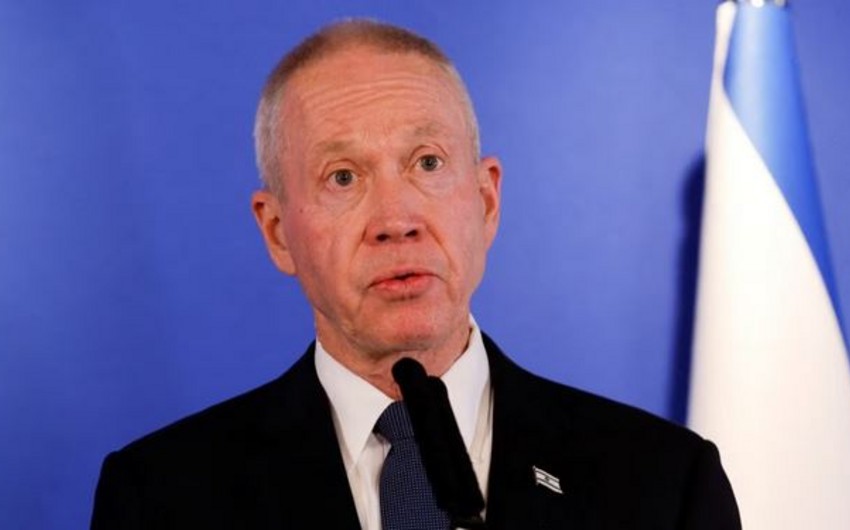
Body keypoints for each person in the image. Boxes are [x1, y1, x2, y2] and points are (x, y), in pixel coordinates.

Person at [91, 18, 741, 530]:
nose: (396, 220)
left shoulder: (663, 482)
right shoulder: (161, 497)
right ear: (278, 232)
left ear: (486, 201)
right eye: (342, 177)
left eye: (427, 163)